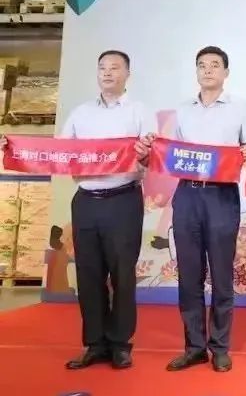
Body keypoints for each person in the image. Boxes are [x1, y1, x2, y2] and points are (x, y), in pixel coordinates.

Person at [0, 51, 152, 370]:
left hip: (123, 201)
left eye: (115, 68)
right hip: (86, 201)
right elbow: (56, 152)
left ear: (128, 74)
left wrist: (145, 154)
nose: (107, 73)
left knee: (123, 275)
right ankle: (94, 343)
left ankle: (120, 344)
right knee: (88, 273)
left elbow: (153, 156)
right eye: (102, 68)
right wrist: (17, 147)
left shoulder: (140, 112)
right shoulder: (81, 113)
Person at [163, 46, 246, 373]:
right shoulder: (182, 110)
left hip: (221, 196)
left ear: (225, 72)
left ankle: (220, 347)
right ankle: (194, 347)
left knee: (221, 275)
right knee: (189, 275)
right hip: (187, 195)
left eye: (215, 65)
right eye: (202, 65)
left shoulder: (241, 108)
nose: (208, 70)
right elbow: (172, 152)